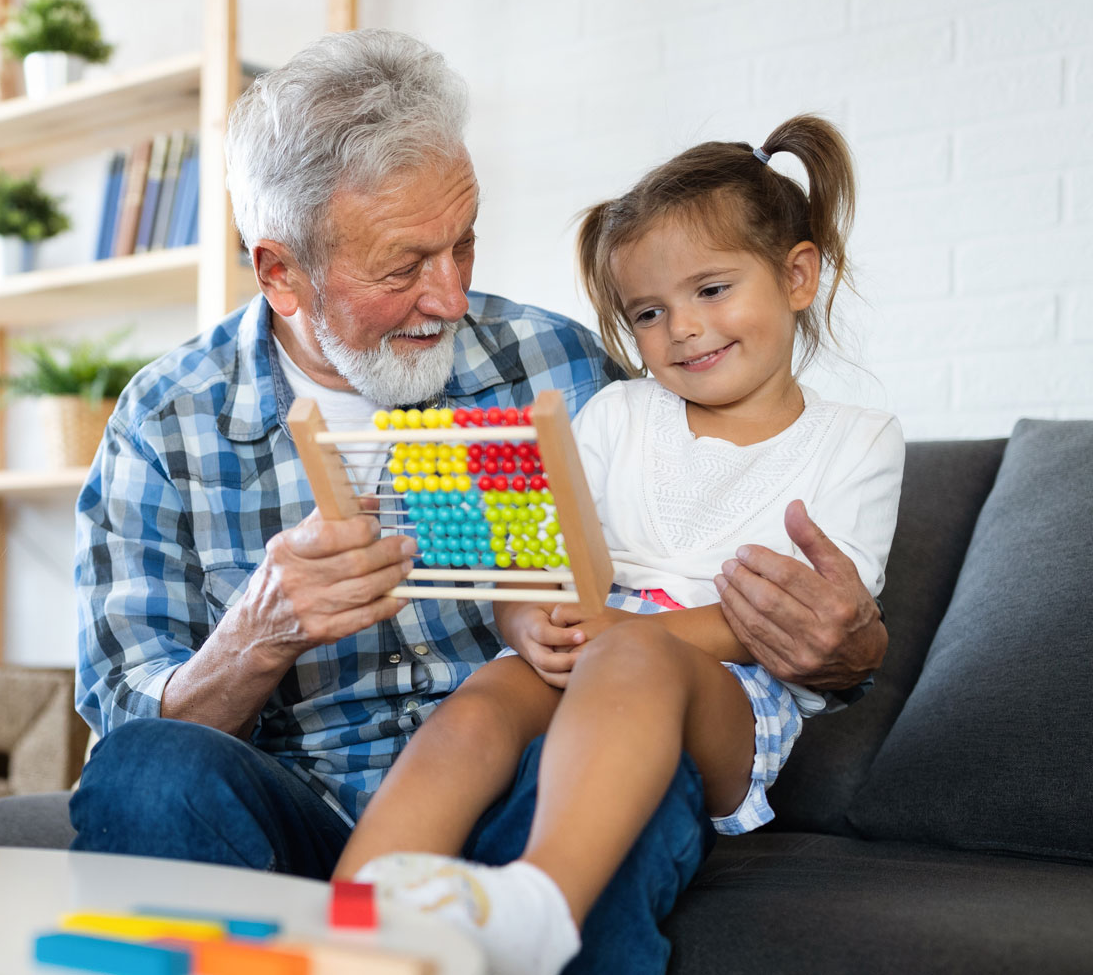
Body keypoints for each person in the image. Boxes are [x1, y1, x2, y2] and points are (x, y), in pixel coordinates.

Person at [70, 30, 891, 973]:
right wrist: (259, 636)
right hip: (298, 813)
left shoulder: (562, 366)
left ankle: (506, 915)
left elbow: (690, 540)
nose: (452, 297)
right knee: (144, 771)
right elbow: (125, 710)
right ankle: (359, 926)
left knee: (636, 757)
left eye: (463, 244)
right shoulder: (166, 419)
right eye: (402, 268)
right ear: (279, 272)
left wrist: (848, 645)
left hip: (527, 812)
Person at [337, 115, 902, 975]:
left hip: (727, 697)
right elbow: (546, 551)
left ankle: (543, 902)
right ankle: (349, 913)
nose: (683, 328)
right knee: (481, 704)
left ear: (797, 275)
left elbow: (797, 620)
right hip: (595, 645)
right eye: (649, 311)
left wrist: (632, 638)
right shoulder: (619, 414)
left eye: (711, 290)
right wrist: (529, 618)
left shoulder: (857, 440)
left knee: (635, 654)